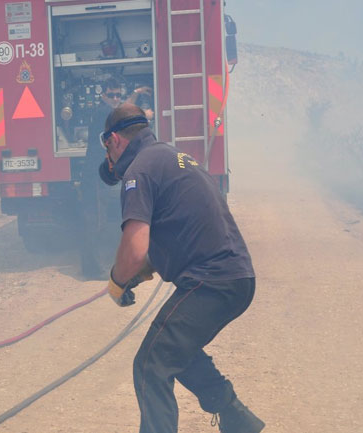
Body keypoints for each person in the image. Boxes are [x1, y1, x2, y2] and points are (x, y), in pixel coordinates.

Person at [99, 103, 265, 433]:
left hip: (212, 281)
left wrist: (117, 281)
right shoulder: (170, 157)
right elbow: (179, 229)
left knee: (150, 364)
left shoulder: (138, 172)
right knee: (176, 351)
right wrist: (143, 270)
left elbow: (134, 247)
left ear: (115, 140)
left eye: (108, 152)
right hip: (234, 277)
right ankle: (236, 418)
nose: (111, 164)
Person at [78, 77, 124, 280]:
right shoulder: (104, 113)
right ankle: (92, 270)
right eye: (111, 95)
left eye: (118, 95)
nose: (115, 99)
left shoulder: (104, 112)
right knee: (95, 220)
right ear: (103, 95)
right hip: (95, 176)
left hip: (97, 174)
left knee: (97, 219)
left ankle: (93, 266)